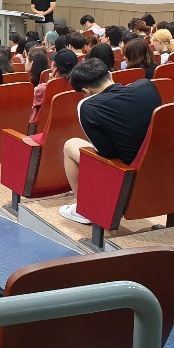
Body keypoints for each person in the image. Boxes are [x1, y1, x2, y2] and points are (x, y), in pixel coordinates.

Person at [59, 59, 162, 224]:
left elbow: (106, 153)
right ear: (110, 74)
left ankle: (84, 209)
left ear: (85, 91)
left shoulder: (88, 106)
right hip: (159, 164)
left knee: (70, 145)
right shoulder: (146, 85)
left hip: (127, 171)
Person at [33, 50, 75, 121]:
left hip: (43, 127)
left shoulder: (41, 90)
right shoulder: (79, 88)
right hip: (70, 125)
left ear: (55, 69)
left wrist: (51, 85)